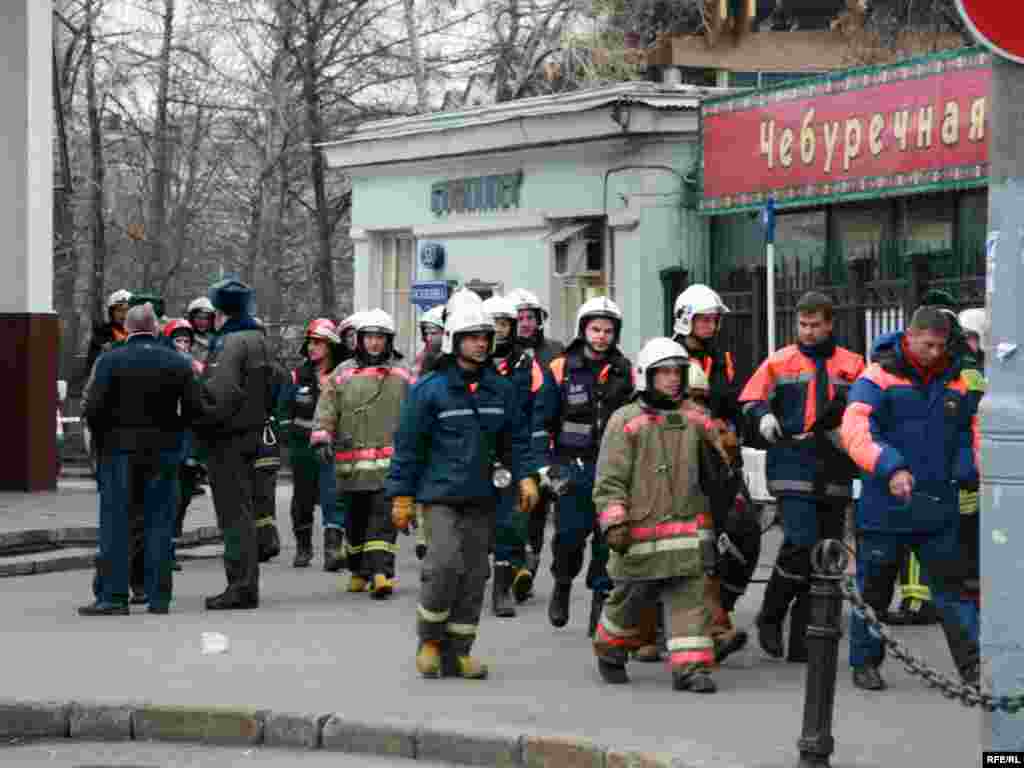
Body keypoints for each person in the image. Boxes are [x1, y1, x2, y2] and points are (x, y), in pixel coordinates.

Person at [387, 302, 539, 679]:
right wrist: (402, 496)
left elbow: (516, 440)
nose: (480, 344)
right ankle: (431, 641)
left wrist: (525, 475)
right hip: (439, 496)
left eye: (484, 337)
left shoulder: (500, 390)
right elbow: (408, 446)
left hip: (483, 497)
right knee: (443, 566)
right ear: (455, 341)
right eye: (472, 338)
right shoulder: (429, 390)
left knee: (475, 574)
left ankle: (460, 651)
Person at [841, 305, 981, 690]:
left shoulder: (957, 382)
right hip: (885, 507)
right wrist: (891, 466)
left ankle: (975, 669)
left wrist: (969, 466)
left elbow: (972, 431)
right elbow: (856, 431)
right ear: (910, 337)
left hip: (937, 506)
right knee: (874, 590)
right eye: (928, 345)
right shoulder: (877, 376)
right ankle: (864, 663)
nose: (935, 353)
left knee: (953, 594)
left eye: (941, 346)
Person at [591, 337, 732, 691]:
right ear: (645, 376)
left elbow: (720, 472)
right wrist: (614, 522)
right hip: (639, 535)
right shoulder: (625, 421)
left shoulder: (695, 419)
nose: (672, 379)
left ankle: (691, 669)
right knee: (630, 601)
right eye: (664, 372)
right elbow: (610, 479)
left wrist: (722, 449)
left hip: (686, 533)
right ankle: (610, 649)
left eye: (677, 372)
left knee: (690, 597)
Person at [739, 291, 865, 662]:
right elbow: (751, 399)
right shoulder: (780, 362)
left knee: (824, 552)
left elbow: (865, 406)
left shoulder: (853, 364)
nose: (808, 332)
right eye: (803, 325)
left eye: (815, 325)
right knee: (800, 538)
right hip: (793, 459)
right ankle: (771, 614)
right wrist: (762, 416)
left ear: (830, 324)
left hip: (836, 463)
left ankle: (804, 639)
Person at [80, 303, 202, 615]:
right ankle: (159, 597)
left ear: (130, 329)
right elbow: (193, 410)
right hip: (163, 453)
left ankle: (114, 597)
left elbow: (93, 409)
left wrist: (104, 442)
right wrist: (176, 440)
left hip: (118, 453)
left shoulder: (110, 360)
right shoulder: (177, 362)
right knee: (159, 523)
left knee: (117, 524)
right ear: (156, 328)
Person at [536, 297, 634, 635]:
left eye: (608, 331)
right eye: (595, 329)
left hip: (613, 469)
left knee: (609, 541)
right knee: (569, 537)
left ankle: (599, 605)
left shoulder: (626, 371)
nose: (602, 336)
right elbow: (542, 421)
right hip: (570, 467)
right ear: (583, 330)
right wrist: (546, 467)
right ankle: (562, 583)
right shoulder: (561, 368)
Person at [667, 283, 752, 663]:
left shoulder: (724, 358)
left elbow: (732, 402)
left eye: (714, 319)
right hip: (680, 461)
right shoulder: (667, 356)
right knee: (691, 548)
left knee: (742, 534)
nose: (710, 325)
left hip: (720, 461)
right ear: (685, 319)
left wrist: (738, 431)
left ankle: (720, 612)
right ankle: (702, 626)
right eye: (703, 318)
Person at [312, 309, 412, 598]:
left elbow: (418, 414)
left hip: (388, 469)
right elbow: (326, 408)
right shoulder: (342, 373)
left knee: (383, 522)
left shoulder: (403, 374)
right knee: (355, 525)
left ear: (389, 340)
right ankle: (358, 569)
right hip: (350, 467)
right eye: (369, 337)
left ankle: (382, 573)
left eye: (380, 338)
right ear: (359, 340)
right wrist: (321, 438)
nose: (374, 344)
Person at [195, 278, 273, 610]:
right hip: (253, 433)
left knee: (233, 514)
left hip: (227, 438)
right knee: (246, 509)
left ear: (222, 310)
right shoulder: (259, 339)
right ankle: (246, 583)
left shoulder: (229, 343)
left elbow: (222, 392)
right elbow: (277, 381)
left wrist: (200, 414)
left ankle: (240, 586)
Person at [482, 294, 549, 616]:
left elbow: (539, 405)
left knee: (512, 516)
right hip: (476, 448)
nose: (499, 330)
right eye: (494, 324)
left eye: (505, 324)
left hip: (514, 447)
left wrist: (536, 452)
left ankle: (502, 589)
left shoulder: (525, 362)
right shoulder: (470, 361)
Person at [287, 318, 346, 569]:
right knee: (302, 497)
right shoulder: (297, 376)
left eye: (318, 343)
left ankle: (332, 550)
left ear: (331, 346)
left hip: (333, 447)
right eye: (310, 342)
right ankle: (303, 548)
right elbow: (283, 411)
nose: (312, 347)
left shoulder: (343, 375)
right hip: (302, 448)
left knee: (333, 496)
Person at [162, 319, 206, 568]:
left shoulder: (197, 368)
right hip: (169, 440)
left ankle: (171, 538)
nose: (183, 346)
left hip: (191, 441)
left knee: (185, 495)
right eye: (177, 341)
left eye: (187, 341)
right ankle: (165, 548)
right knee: (171, 495)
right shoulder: (162, 367)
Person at [413, 305, 445, 377]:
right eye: (426, 333)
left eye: (433, 333)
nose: (428, 338)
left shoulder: (457, 361)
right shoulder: (422, 357)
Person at [186, 297, 216, 364]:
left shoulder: (218, 339)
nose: (202, 322)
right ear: (191, 318)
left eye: (206, 318)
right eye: (198, 317)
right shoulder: (184, 337)